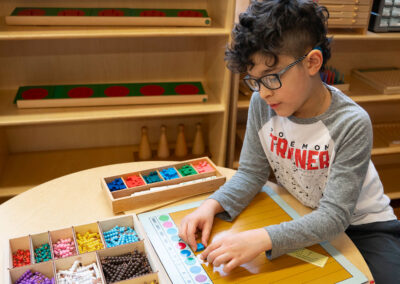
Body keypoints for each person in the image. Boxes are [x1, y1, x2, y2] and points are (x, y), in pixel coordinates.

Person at [178, 0, 400, 283]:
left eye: (270, 78)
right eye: (253, 81)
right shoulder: (263, 102)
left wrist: (262, 238)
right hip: (302, 213)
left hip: (365, 227)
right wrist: (210, 205)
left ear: (312, 62)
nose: (263, 92)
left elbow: (334, 218)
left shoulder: (351, 123)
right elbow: (251, 172)